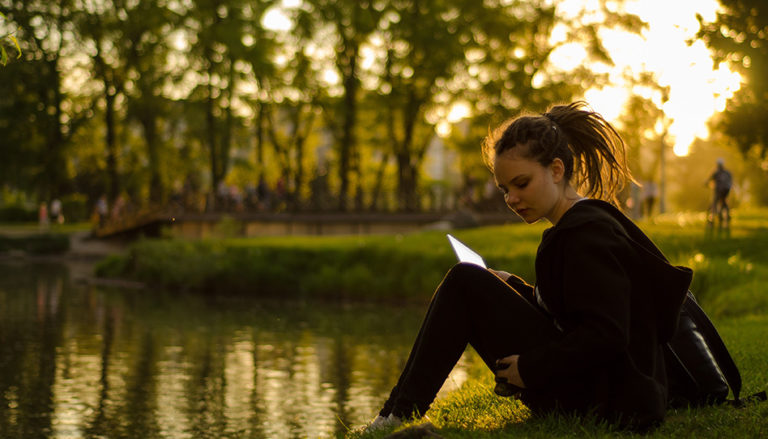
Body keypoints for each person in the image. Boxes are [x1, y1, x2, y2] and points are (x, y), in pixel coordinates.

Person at [364, 102, 692, 433]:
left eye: (522, 183)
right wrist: (517, 289)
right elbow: (575, 313)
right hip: (599, 388)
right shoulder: (579, 225)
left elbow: (608, 334)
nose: (512, 199)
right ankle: (396, 411)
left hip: (610, 402)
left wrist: (532, 368)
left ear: (556, 170)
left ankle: (398, 414)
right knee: (472, 281)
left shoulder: (585, 234)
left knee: (465, 281)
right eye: (505, 189)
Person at [708, 158, 732, 227]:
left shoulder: (716, 172)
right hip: (726, 189)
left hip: (718, 190)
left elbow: (709, 180)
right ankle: (728, 214)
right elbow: (730, 181)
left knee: (715, 202)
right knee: (724, 201)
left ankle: (711, 219)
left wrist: (706, 183)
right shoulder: (727, 172)